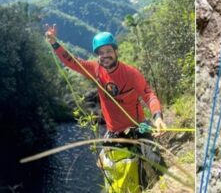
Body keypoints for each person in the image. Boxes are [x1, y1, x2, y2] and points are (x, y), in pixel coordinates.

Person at [45, 25, 167, 189]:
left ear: (116, 52)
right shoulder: (95, 70)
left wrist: (157, 117)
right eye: (101, 53)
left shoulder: (131, 73)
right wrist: (54, 43)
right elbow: (72, 61)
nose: (105, 56)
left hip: (138, 127)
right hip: (113, 132)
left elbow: (149, 96)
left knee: (156, 164)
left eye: (108, 51)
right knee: (112, 176)